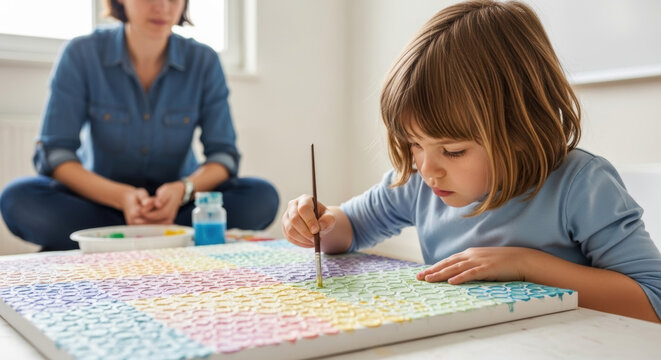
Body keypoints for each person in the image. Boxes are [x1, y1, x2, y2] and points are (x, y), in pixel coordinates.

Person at [281, 0, 661, 323]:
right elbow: (349, 230)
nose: (427, 168)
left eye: (453, 151)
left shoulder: (580, 184)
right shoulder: (419, 182)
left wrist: (528, 265)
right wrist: (317, 222)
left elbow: (652, 301)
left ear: (518, 128)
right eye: (414, 144)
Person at [0, 0, 279, 251]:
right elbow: (55, 153)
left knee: (261, 195)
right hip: (99, 204)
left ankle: (110, 241)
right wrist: (121, 197)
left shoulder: (204, 61)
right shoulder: (80, 54)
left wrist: (183, 190)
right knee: (18, 198)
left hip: (179, 207)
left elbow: (223, 156)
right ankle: (167, 239)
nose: (163, 8)